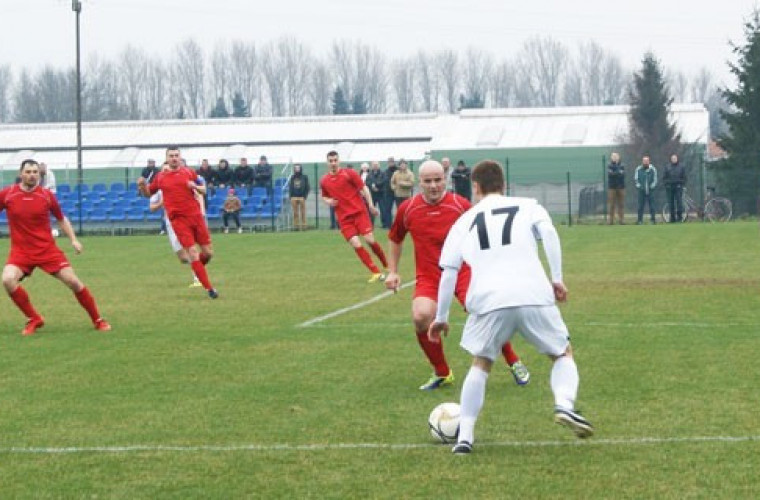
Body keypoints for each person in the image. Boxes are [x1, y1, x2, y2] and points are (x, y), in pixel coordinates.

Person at [428, 159, 594, 455]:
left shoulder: (465, 220)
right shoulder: (529, 205)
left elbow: (449, 270)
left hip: (489, 300)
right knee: (561, 353)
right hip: (532, 292)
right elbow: (550, 235)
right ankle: (564, 405)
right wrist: (556, 278)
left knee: (481, 363)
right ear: (503, 185)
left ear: (475, 187)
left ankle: (465, 438)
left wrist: (441, 317)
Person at [385, 160, 530, 390]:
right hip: (430, 275)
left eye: (438, 180)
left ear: (445, 179)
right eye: (428, 181)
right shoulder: (408, 209)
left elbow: (484, 236)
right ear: (419, 183)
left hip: (463, 271)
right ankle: (442, 372)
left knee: (484, 312)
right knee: (421, 316)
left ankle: (513, 360)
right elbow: (395, 238)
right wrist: (392, 271)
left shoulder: (460, 205)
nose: (433, 186)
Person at [0, 159, 111, 335]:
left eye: (35, 172)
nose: (32, 175)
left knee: (74, 282)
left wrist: (73, 239)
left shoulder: (46, 195)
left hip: (47, 250)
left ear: (39, 174)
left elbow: (61, 218)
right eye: (28, 172)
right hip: (21, 252)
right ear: (20, 174)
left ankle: (98, 320)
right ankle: (34, 319)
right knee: (7, 280)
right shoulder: (7, 194)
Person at [138, 146, 218, 299]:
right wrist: (142, 186)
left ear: (180, 158)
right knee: (192, 253)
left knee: (208, 253)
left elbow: (204, 190)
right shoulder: (160, 177)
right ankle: (210, 289)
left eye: (176, 155)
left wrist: (194, 186)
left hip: (195, 217)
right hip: (178, 220)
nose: (174, 158)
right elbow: (149, 194)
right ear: (167, 159)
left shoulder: (189, 172)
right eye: (171, 156)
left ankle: (197, 269)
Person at [320, 150, 389, 282]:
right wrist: (328, 201)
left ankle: (386, 265)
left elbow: (364, 188)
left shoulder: (349, 173)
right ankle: (375, 272)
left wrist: (370, 205)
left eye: (335, 160)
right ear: (327, 163)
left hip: (359, 213)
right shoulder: (324, 180)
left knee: (370, 240)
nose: (333, 163)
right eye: (331, 161)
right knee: (356, 243)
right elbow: (324, 196)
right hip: (344, 218)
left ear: (339, 161)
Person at [149, 162, 203, 288]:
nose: (167, 172)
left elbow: (197, 193)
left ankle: (197, 276)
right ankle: (198, 264)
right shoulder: (159, 188)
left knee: (190, 248)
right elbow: (151, 207)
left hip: (184, 219)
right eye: (164, 170)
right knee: (182, 257)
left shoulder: (182, 182)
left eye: (168, 169)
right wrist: (161, 203)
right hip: (169, 222)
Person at [635, 155, 658, 224]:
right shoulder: (638, 169)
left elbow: (655, 179)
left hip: (651, 191)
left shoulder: (653, 169)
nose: (645, 162)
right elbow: (636, 179)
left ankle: (653, 220)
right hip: (641, 191)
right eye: (644, 161)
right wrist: (640, 187)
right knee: (640, 206)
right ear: (642, 161)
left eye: (647, 161)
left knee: (652, 206)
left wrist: (652, 186)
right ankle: (639, 220)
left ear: (649, 161)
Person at [663, 153, 686, 223]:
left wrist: (681, 184)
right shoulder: (667, 167)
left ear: (677, 159)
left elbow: (684, 177)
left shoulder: (681, 167)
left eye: (675, 158)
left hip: (678, 187)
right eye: (673, 159)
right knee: (671, 203)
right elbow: (664, 178)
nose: (674, 160)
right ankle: (672, 218)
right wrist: (667, 185)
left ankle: (679, 218)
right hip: (670, 188)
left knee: (679, 203)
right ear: (671, 159)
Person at [288, 164, 310, 230]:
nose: (297, 169)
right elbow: (290, 187)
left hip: (302, 197)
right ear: (294, 169)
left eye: (298, 168)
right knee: (295, 213)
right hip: (294, 197)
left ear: (300, 169)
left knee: (303, 212)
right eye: (296, 168)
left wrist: (305, 196)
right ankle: (296, 226)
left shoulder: (304, 177)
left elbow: (307, 187)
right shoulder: (292, 177)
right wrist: (290, 196)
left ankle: (304, 226)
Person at [366, 161, 387, 227]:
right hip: (372, 195)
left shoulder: (383, 173)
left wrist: (376, 185)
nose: (375, 166)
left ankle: (384, 224)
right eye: (374, 165)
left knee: (383, 209)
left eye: (376, 165)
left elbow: (384, 180)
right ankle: (371, 224)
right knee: (371, 209)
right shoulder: (369, 174)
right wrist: (372, 187)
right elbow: (367, 182)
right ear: (372, 166)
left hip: (381, 194)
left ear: (379, 165)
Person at [607, 152, 625, 224]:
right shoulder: (609, 165)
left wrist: (615, 172)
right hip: (612, 187)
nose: (614, 158)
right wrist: (618, 172)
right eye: (613, 156)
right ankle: (611, 220)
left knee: (621, 204)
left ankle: (621, 220)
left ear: (619, 157)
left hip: (621, 187)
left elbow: (622, 174)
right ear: (611, 158)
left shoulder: (622, 165)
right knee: (611, 204)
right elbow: (611, 174)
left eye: (616, 156)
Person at [380, 157, 398, 227]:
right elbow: (383, 181)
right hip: (388, 193)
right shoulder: (385, 171)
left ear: (394, 162)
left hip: (397, 192)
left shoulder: (398, 170)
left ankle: (399, 224)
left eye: (392, 162)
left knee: (399, 209)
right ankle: (388, 225)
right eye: (389, 162)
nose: (390, 163)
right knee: (387, 209)